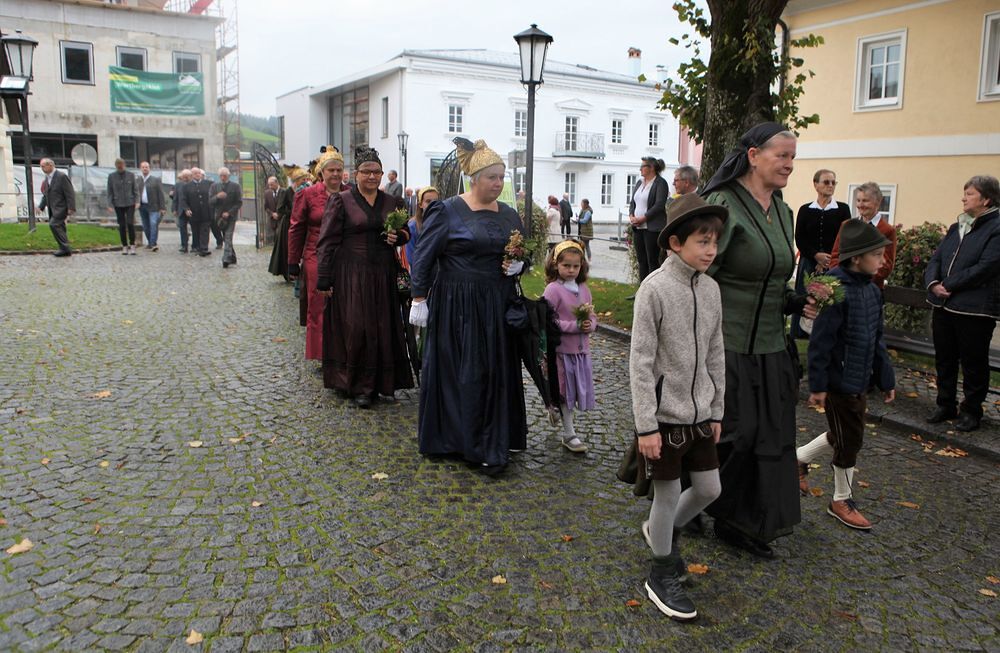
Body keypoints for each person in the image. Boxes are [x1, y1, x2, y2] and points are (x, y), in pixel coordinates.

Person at [700, 122, 817, 558]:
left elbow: (773, 277)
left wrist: (796, 300)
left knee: (770, 435)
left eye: (793, 157)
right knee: (733, 433)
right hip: (725, 343)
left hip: (770, 346)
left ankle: (741, 521)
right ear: (753, 156)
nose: (789, 165)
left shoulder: (784, 211)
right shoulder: (722, 205)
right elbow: (696, 276)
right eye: (781, 156)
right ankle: (692, 500)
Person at [630, 192, 727, 622]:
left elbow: (716, 353)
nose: (711, 250)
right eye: (702, 241)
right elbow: (640, 362)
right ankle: (660, 571)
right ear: (675, 243)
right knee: (667, 494)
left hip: (701, 414)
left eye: (714, 242)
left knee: (709, 489)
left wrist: (717, 409)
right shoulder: (653, 290)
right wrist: (646, 426)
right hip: (663, 418)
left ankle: (661, 532)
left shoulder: (712, 289)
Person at [409, 137, 527, 474]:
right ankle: (462, 441)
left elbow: (521, 251)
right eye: (492, 177)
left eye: (501, 177)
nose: (498, 183)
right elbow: (424, 256)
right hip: (457, 304)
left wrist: (521, 265)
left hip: (497, 302)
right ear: (473, 179)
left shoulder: (509, 215)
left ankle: (493, 440)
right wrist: (419, 297)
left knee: (494, 371)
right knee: (464, 371)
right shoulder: (446, 211)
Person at [799, 220, 896, 529]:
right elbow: (821, 341)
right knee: (849, 440)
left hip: (859, 379)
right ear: (857, 258)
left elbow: (877, 339)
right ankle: (841, 499)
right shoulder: (833, 289)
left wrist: (886, 378)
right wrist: (818, 384)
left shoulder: (872, 291)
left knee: (845, 433)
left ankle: (798, 459)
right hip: (838, 381)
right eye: (877, 255)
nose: (883, 260)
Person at [315, 146, 413, 406]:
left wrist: (398, 237)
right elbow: (327, 241)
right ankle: (357, 384)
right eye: (366, 172)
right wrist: (324, 277)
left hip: (383, 273)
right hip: (351, 275)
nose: (372, 176)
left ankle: (381, 383)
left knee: (382, 327)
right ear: (356, 174)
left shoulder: (392, 202)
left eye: (376, 172)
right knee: (356, 327)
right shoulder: (341, 200)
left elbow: (406, 232)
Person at [924, 175, 1000, 432]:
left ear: (986, 199)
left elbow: (987, 267)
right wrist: (933, 283)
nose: (963, 198)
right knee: (944, 359)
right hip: (943, 306)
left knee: (973, 363)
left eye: (969, 194)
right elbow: (936, 259)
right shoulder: (956, 226)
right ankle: (945, 404)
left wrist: (949, 284)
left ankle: (971, 411)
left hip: (974, 310)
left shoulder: (996, 228)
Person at [288, 150, 344, 362]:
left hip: (343, 254)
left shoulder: (349, 193)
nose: (335, 174)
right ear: (322, 172)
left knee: (343, 303)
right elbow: (296, 228)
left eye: (339, 170)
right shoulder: (308, 194)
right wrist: (293, 261)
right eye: (331, 170)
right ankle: (321, 353)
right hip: (315, 254)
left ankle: (342, 348)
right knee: (318, 303)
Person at [543, 240, 596, 453]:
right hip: (562, 352)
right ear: (556, 264)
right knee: (565, 392)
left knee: (572, 392)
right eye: (566, 266)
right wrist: (574, 326)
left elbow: (592, 315)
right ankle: (569, 433)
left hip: (581, 352)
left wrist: (590, 324)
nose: (571, 270)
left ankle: (554, 407)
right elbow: (548, 321)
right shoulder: (553, 290)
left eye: (576, 266)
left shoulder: (584, 289)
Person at [792, 169, 851, 337]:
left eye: (833, 182)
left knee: (830, 299)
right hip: (808, 263)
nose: (830, 185)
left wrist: (829, 259)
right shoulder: (805, 210)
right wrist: (816, 256)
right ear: (815, 184)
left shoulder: (843, 209)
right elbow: (800, 238)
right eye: (826, 182)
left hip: (833, 264)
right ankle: (800, 334)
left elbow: (845, 237)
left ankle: (828, 335)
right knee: (805, 298)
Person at [829, 182, 897, 288]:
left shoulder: (887, 230)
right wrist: (843, 278)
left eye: (865, 201)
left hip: (870, 288)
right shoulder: (846, 225)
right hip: (843, 286)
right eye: (858, 200)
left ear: (878, 202)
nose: (860, 205)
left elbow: (886, 267)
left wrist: (859, 278)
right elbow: (835, 257)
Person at [629, 158, 670, 281]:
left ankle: (653, 288)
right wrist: (631, 216)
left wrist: (643, 218)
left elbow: (659, 205)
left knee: (652, 261)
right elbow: (633, 202)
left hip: (652, 228)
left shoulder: (660, 183)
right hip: (638, 227)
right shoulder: (639, 182)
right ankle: (642, 288)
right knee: (641, 260)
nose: (640, 169)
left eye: (643, 166)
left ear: (651, 168)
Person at [37, 158, 75, 257]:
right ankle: (64, 249)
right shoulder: (47, 179)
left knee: (53, 224)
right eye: (41, 167)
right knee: (60, 227)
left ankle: (65, 247)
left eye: (43, 166)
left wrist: (71, 207)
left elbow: (69, 192)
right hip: (52, 208)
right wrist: (41, 207)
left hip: (61, 207)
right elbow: (46, 194)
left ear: (50, 165)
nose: (42, 168)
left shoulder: (61, 176)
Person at [269, 170, 302, 281]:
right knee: (288, 249)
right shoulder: (286, 191)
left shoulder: (301, 191)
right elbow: (280, 209)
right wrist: (293, 212)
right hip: (287, 224)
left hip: (297, 223)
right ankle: (288, 273)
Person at [209, 167, 242, 268]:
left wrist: (229, 212)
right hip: (219, 217)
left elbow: (239, 202)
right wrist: (217, 197)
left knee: (228, 236)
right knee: (226, 238)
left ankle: (226, 259)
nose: (223, 178)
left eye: (225, 176)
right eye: (221, 176)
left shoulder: (235, 186)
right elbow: (210, 201)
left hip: (231, 216)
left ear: (228, 176)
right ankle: (232, 256)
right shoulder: (214, 186)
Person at [403, 186, 440, 272]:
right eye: (428, 201)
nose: (432, 204)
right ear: (420, 204)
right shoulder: (413, 226)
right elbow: (411, 257)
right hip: (421, 274)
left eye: (435, 201)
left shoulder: (443, 223)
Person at [107, 158, 138, 255]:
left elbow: (135, 189)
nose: (120, 168)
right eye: (119, 167)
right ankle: (124, 245)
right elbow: (110, 191)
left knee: (130, 223)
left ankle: (132, 244)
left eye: (122, 166)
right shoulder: (112, 176)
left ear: (124, 165)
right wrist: (110, 204)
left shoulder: (131, 175)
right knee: (122, 225)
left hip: (130, 202)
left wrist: (137, 201)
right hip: (118, 203)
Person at [182, 168, 213, 257]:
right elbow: (184, 200)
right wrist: (186, 209)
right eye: (195, 173)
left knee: (205, 230)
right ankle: (197, 247)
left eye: (199, 173)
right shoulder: (187, 186)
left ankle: (204, 248)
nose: (198, 174)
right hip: (194, 213)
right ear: (192, 175)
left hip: (206, 212)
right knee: (196, 231)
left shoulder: (209, 184)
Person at [137, 161, 166, 252]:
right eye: (143, 167)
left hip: (154, 206)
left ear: (149, 168)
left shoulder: (155, 180)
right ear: (140, 169)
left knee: (153, 224)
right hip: (142, 206)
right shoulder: (138, 180)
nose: (145, 169)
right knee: (145, 226)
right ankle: (150, 242)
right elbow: (135, 193)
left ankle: (153, 243)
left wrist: (162, 207)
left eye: (146, 167)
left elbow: (161, 194)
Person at [172, 169, 192, 253]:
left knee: (195, 229)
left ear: (190, 176)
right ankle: (184, 246)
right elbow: (175, 198)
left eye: (187, 176)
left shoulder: (193, 184)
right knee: (182, 228)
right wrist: (174, 209)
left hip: (192, 210)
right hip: (181, 210)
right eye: (184, 176)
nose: (185, 178)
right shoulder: (178, 185)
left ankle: (195, 245)